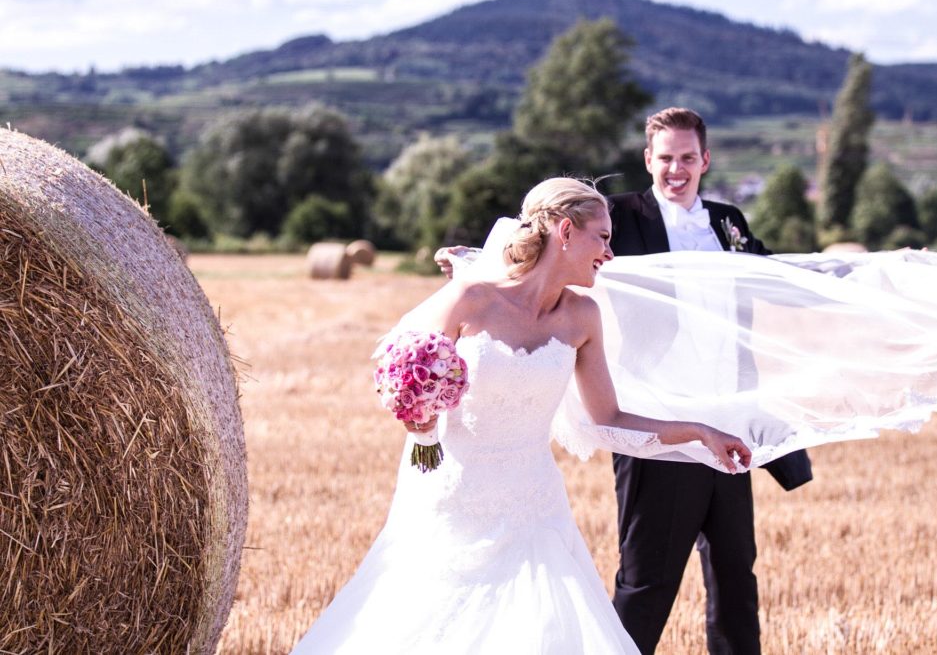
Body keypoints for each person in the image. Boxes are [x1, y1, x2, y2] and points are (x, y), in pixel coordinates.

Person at [291, 178, 752, 654]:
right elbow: (408, 374)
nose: (610, 254)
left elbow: (609, 418)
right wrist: (419, 419)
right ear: (567, 231)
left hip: (533, 506)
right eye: (604, 237)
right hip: (453, 494)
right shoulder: (472, 298)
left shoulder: (583, 317)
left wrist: (697, 432)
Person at [606, 107, 812, 655]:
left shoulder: (728, 221)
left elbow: (774, 273)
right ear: (648, 160)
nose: (677, 169)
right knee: (647, 580)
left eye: (688, 158)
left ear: (706, 159)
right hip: (661, 425)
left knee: (735, 575)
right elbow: (546, 246)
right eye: (666, 158)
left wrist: (864, 276)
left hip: (727, 422)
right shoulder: (617, 216)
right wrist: (477, 261)